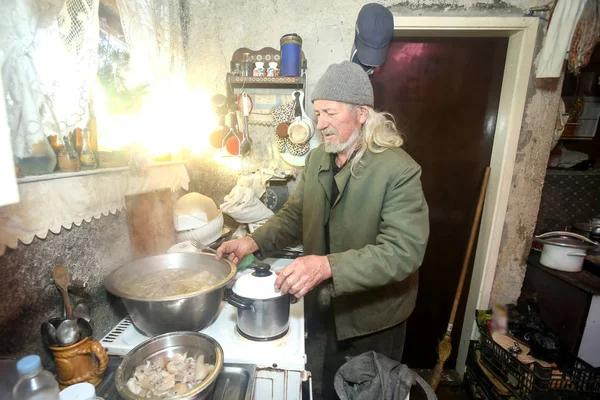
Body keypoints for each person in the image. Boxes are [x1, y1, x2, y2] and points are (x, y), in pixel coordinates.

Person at [216, 60, 429, 399]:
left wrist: (327, 265)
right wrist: (252, 241)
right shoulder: (318, 159)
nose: (320, 124)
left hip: (373, 319)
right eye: (318, 114)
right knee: (331, 384)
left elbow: (403, 252)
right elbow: (296, 215)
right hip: (328, 308)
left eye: (330, 113)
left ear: (361, 114)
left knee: (370, 391)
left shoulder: (398, 171)